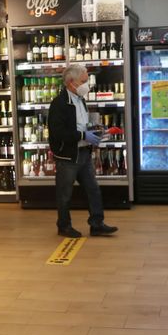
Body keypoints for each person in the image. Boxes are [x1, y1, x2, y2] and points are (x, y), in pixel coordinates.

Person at [48, 64, 118, 238]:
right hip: (67, 156)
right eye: (84, 81)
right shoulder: (59, 104)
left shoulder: (81, 100)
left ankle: (97, 224)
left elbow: (82, 125)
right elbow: (58, 133)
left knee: (93, 190)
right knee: (64, 195)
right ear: (71, 83)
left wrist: (95, 131)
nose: (87, 85)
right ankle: (63, 226)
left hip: (84, 153)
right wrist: (83, 135)